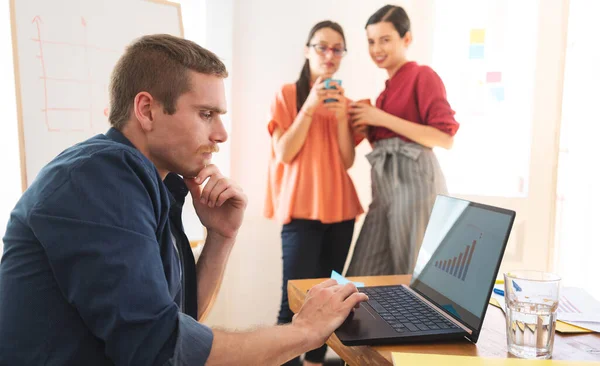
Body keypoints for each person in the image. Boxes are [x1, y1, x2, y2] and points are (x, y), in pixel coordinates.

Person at [0, 34, 368, 366]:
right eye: (206, 114)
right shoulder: (97, 177)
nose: (221, 134)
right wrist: (304, 331)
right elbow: (163, 349)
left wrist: (221, 237)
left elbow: (181, 317)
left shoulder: (150, 181)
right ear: (146, 110)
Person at [264, 20, 363, 366]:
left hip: (341, 210)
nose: (330, 54)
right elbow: (285, 152)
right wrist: (310, 106)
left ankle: (315, 362)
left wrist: (338, 119)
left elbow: (347, 161)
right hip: (300, 210)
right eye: (322, 46)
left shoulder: (345, 103)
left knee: (332, 301)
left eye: (338, 49)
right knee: (292, 300)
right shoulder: (288, 95)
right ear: (308, 50)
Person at [346, 5, 460, 276]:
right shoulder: (386, 91)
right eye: (371, 41)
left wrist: (380, 117)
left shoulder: (422, 76)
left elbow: (444, 138)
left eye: (385, 40)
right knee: (361, 276)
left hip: (415, 184)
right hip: (384, 188)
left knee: (413, 273)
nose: (377, 49)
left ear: (406, 39)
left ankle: (418, 320)